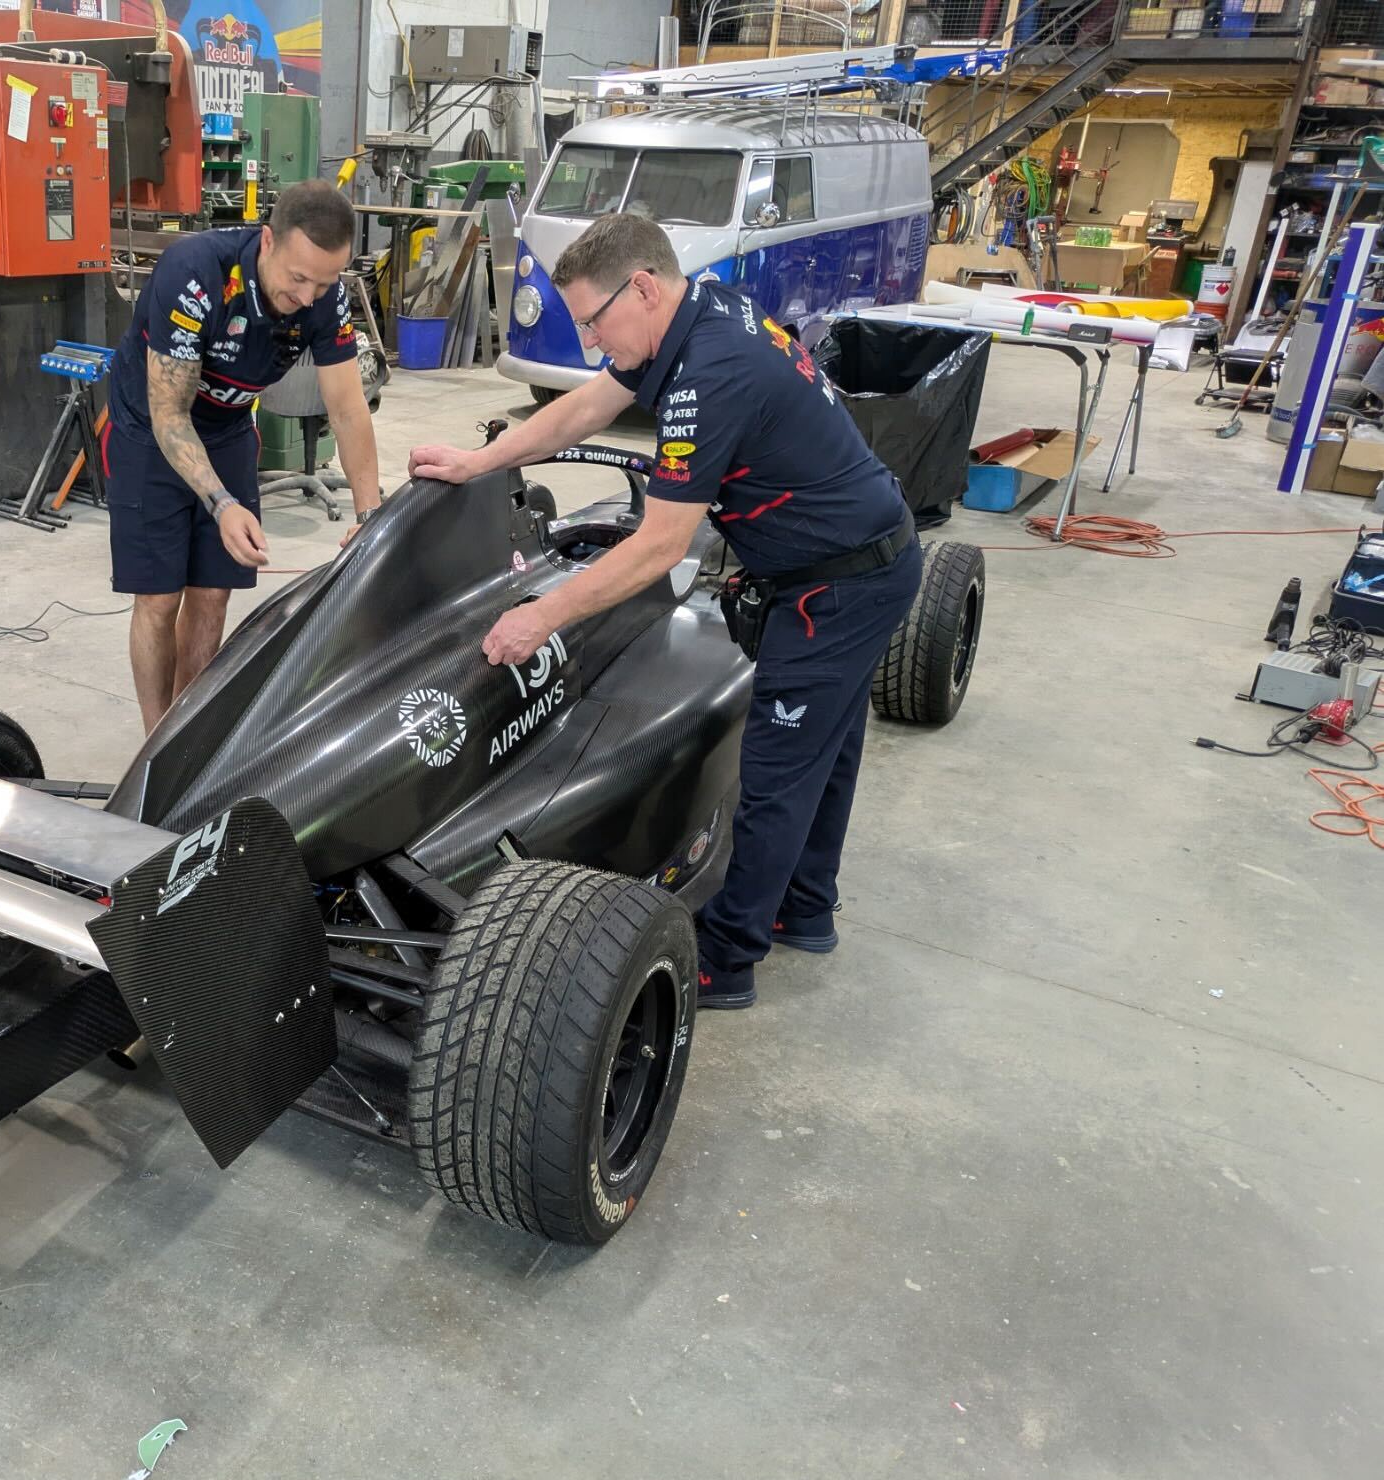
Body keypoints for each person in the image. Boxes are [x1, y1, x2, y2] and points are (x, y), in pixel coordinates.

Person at [406, 212, 922, 1010]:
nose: (590, 343)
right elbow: (586, 407)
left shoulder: (710, 374)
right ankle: (805, 907)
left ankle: (726, 958)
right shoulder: (698, 310)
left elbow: (657, 547)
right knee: (825, 748)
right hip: (859, 555)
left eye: (593, 322)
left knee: (776, 772)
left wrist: (542, 615)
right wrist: (480, 460)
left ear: (642, 288)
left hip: (837, 584)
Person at [105, 179, 383, 733]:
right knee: (159, 600)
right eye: (298, 278)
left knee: (212, 594)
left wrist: (370, 515)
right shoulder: (194, 275)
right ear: (268, 242)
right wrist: (222, 504)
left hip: (229, 429)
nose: (308, 297)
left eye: (324, 282)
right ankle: (154, 744)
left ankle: (187, 737)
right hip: (150, 432)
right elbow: (170, 416)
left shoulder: (325, 296)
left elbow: (349, 410)